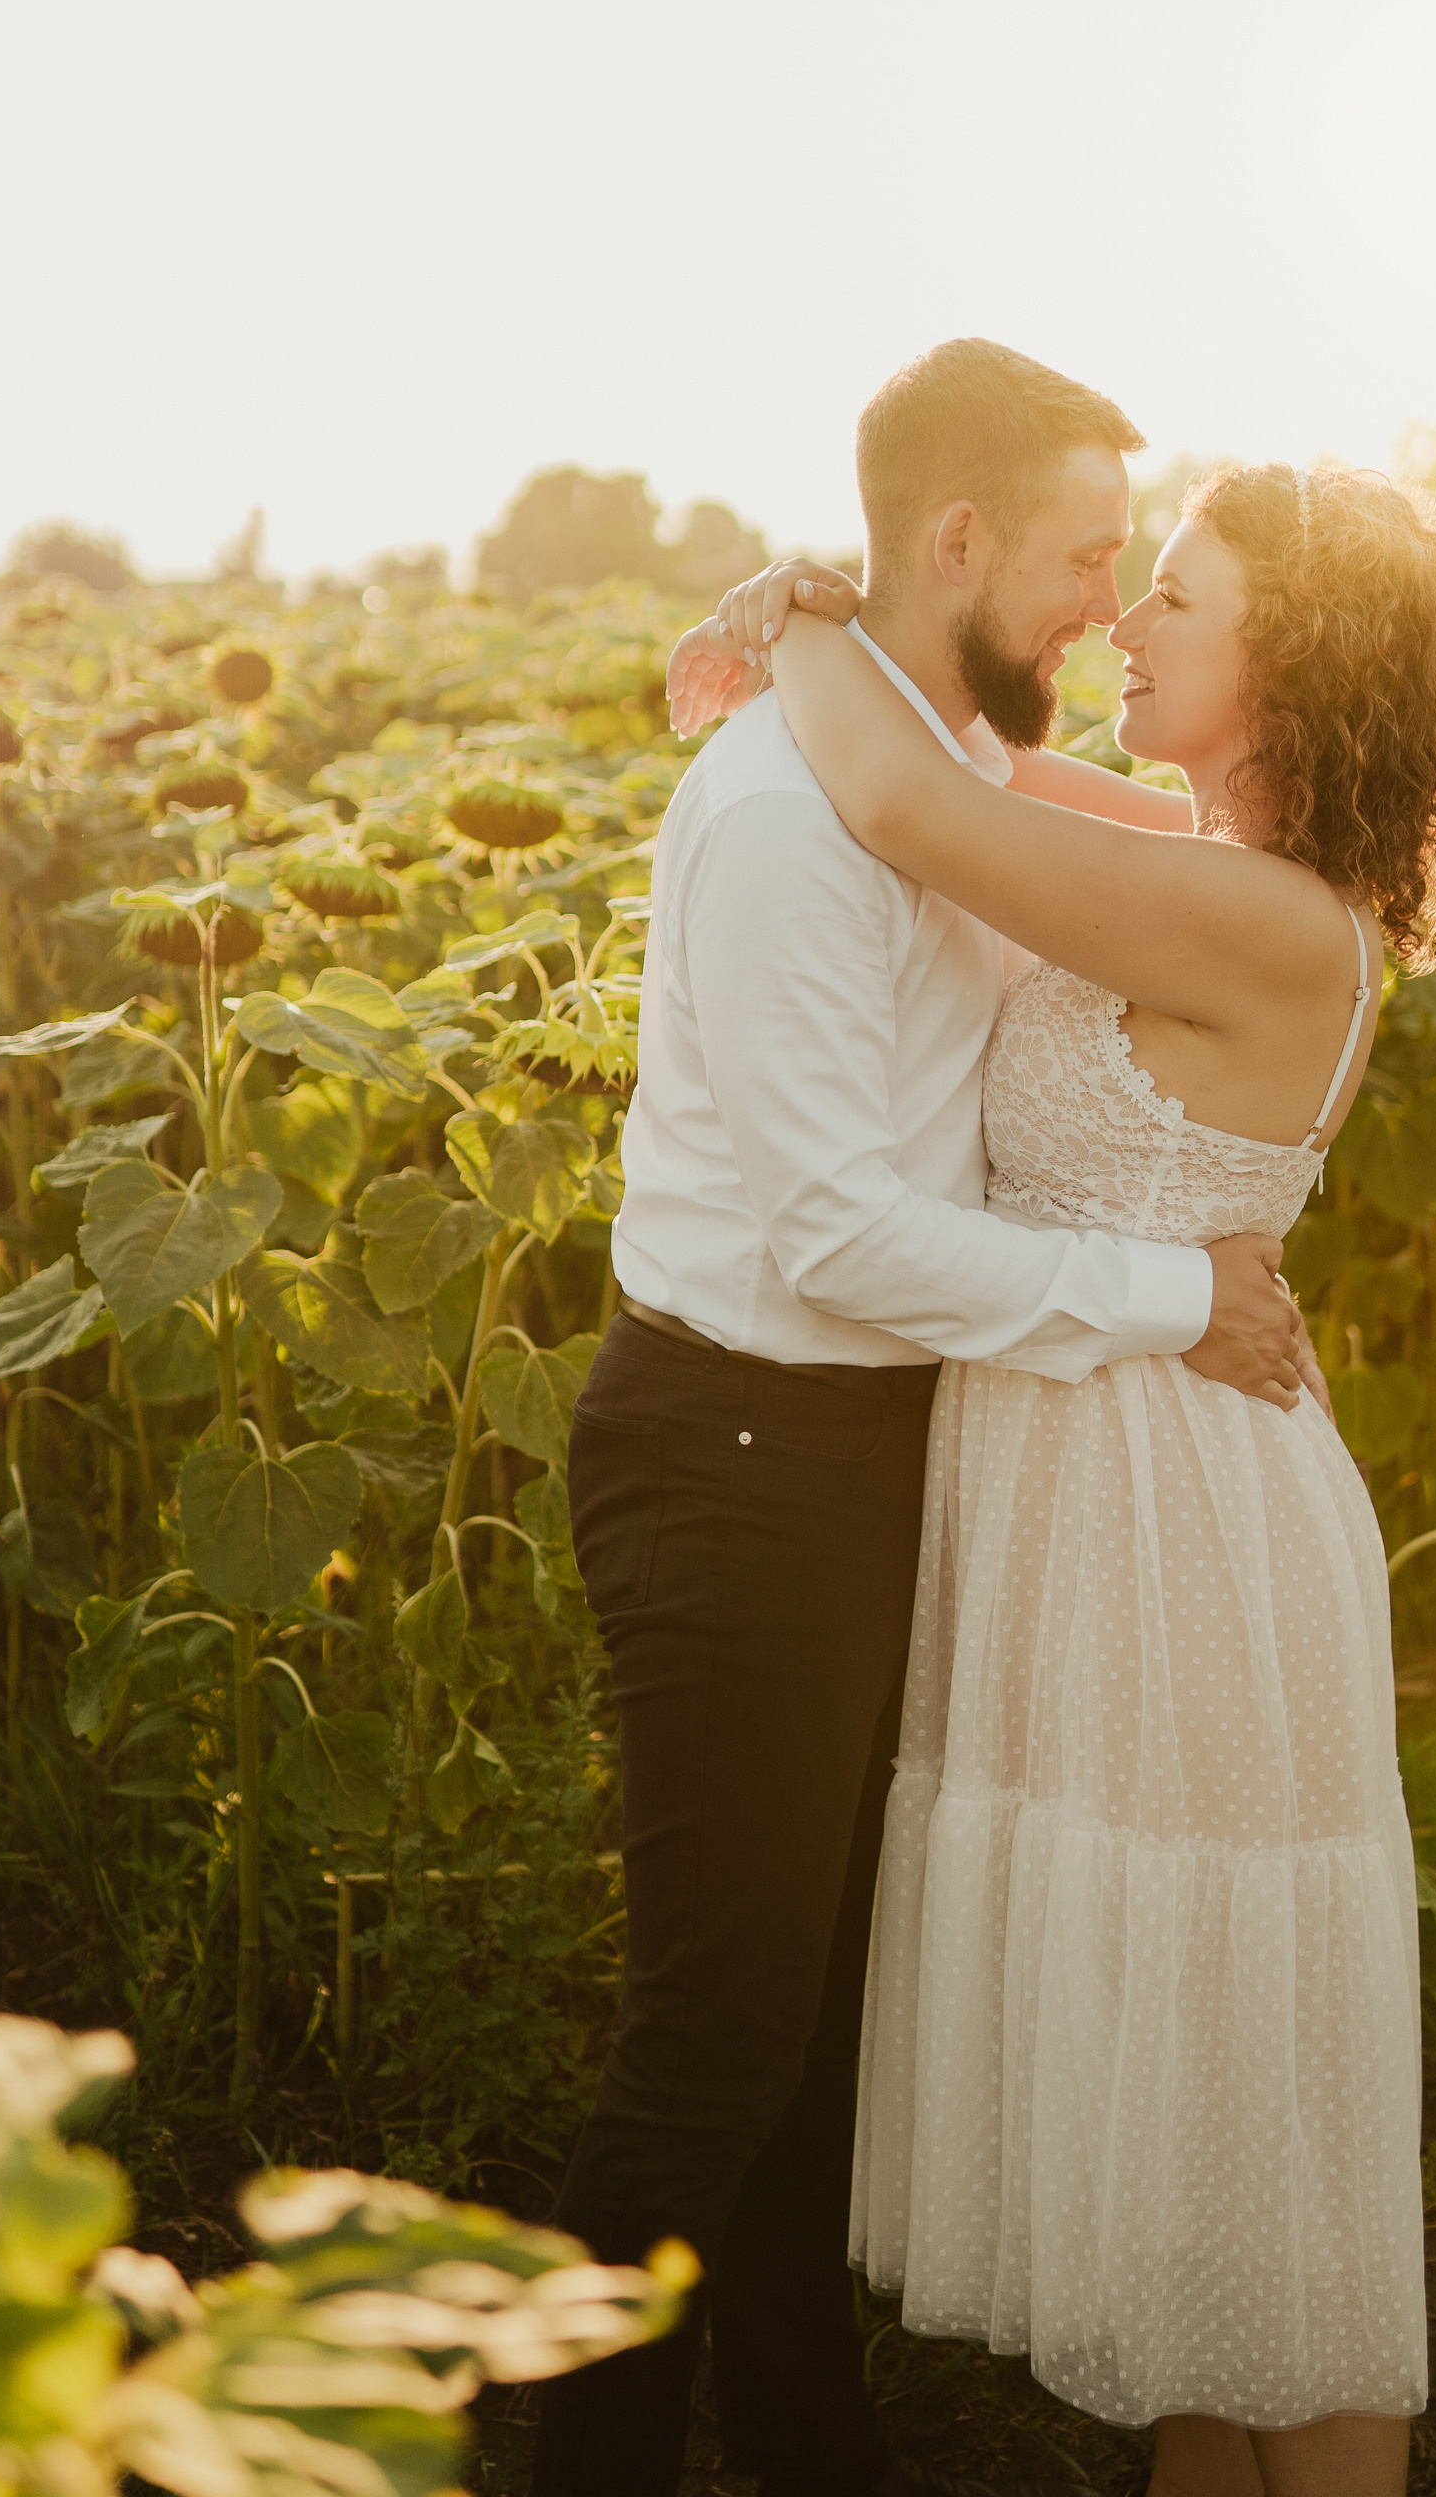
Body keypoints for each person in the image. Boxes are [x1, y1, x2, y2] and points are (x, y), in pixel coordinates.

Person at [534, 342, 1320, 2497]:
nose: (1102, 600)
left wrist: (801, 606)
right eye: (1084, 555)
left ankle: (806, 2444)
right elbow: (839, 1231)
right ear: (960, 539)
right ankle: (563, 2458)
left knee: (811, 2040)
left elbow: (1000, 807)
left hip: (870, 1453)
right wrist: (1179, 1295)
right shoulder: (796, 812)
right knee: (713, 2043)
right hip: (742, 1442)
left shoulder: (929, 742)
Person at [701, 456, 1436, 2497]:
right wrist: (838, 615)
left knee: (1263, 2170)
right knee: (1189, 2170)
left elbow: (912, 804)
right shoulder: (1185, 843)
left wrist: (798, 614)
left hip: (1182, 1522)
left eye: (1178, 600)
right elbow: (955, 755)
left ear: (1295, 667)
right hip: (1093, 1494)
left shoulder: (1256, 910)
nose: (1126, 628)